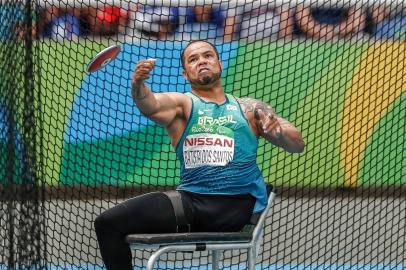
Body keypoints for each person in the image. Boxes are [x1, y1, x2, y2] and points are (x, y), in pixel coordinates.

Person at [94, 40, 305, 270]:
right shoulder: (182, 104)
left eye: (207, 56)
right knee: (107, 223)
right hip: (192, 205)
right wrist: (138, 84)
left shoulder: (250, 109)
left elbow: (297, 145)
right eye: (193, 59)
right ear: (185, 73)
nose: (202, 61)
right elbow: (150, 104)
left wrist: (279, 133)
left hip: (238, 208)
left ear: (220, 64)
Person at [295, 3, 365, 40]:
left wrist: (335, 31)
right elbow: (302, 19)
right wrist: (320, 32)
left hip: (342, 38)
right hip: (312, 39)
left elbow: (357, 20)